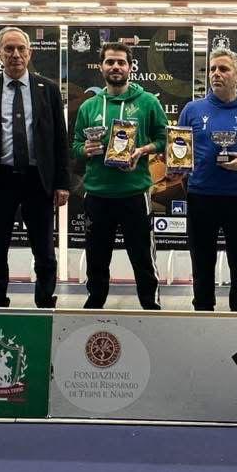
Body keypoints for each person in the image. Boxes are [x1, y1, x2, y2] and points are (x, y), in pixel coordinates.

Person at [0, 26, 69, 308]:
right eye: (9, 49)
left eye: (21, 48)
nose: (15, 54)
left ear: (30, 53)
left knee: (44, 250)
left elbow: (60, 140)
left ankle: (45, 300)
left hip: (38, 180)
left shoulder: (48, 89)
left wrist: (62, 182)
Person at [177, 47, 237, 311]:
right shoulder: (192, 109)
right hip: (200, 198)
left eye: (223, 69)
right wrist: (178, 167)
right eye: (212, 69)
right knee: (201, 263)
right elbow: (178, 147)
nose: (216, 74)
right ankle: (202, 314)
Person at [72, 42, 167, 309]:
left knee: (142, 256)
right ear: (101, 67)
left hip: (134, 193)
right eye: (110, 62)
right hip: (97, 194)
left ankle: (150, 304)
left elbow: (164, 139)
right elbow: (76, 144)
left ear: (130, 67)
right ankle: (95, 302)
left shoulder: (148, 102)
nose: (116, 67)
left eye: (121, 62)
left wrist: (142, 150)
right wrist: (85, 149)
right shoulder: (89, 106)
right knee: (96, 257)